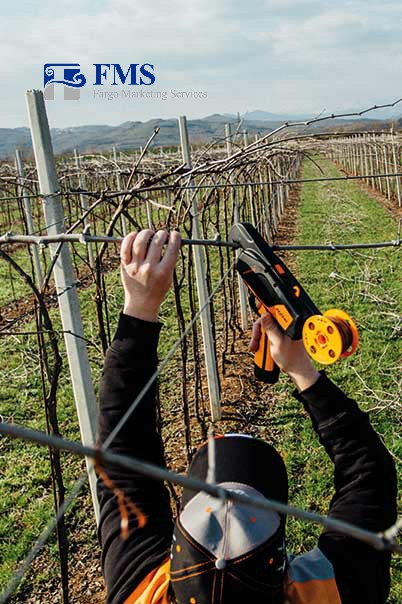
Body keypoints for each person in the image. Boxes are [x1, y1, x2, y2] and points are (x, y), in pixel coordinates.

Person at [96, 228, 397, 604]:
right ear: (284, 571)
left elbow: (123, 455)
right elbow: (371, 475)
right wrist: (302, 370)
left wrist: (139, 310)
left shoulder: (141, 592)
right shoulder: (327, 592)